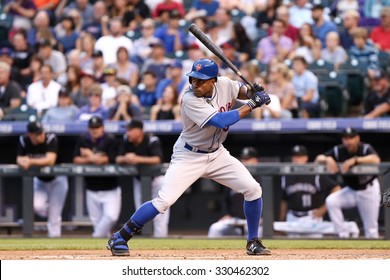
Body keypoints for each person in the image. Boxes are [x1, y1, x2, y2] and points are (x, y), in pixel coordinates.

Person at [106, 58, 271, 256]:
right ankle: (120, 237)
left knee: (253, 189)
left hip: (217, 153)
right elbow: (220, 120)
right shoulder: (189, 98)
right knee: (164, 200)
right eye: (193, 79)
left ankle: (253, 241)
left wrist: (252, 90)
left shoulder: (225, 83)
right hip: (189, 155)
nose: (195, 84)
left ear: (214, 81)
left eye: (201, 81)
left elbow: (241, 90)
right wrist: (253, 104)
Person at [273, 145, 359, 238]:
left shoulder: (314, 174)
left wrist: (323, 209)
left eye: (299, 156)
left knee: (315, 248)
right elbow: (284, 200)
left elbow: (336, 188)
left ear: (306, 158)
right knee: (290, 249)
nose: (296, 159)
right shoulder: (286, 176)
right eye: (294, 156)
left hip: (312, 217)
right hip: (292, 217)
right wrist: (282, 220)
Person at [315, 127, 382, 238]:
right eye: (345, 138)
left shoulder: (364, 148)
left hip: (368, 190)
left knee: (371, 229)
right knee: (331, 201)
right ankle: (343, 235)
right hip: (351, 190)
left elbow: (376, 159)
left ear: (357, 138)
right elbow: (318, 159)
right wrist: (327, 159)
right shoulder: (339, 150)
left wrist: (356, 160)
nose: (348, 141)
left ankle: (375, 254)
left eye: (351, 138)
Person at [116, 120, 169, 237]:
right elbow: (117, 158)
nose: (127, 133)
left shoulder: (151, 139)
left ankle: (161, 239)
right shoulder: (127, 141)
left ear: (139, 130)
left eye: (130, 130)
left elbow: (158, 159)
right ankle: (145, 240)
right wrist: (125, 158)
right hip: (139, 180)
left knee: (160, 211)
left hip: (157, 180)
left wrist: (137, 159)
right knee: (140, 210)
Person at [16, 121, 69, 238]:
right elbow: (19, 158)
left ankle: (55, 245)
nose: (41, 135)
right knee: (36, 206)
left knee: (54, 218)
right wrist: (22, 162)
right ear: (30, 134)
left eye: (41, 132)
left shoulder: (50, 138)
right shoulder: (24, 140)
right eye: (37, 133)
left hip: (57, 180)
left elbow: (50, 160)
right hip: (40, 180)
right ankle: (53, 214)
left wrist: (30, 161)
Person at [73, 116, 121, 238]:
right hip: (91, 188)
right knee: (97, 222)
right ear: (89, 128)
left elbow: (107, 159)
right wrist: (94, 158)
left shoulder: (110, 139)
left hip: (110, 188)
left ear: (103, 127)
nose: (95, 130)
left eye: (97, 127)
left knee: (111, 217)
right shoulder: (83, 139)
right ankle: (102, 248)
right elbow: (76, 159)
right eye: (92, 127)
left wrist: (89, 156)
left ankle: (95, 237)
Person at [208, 147, 263, 238]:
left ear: (256, 160)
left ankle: (255, 246)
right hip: (234, 220)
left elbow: (270, 201)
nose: (245, 162)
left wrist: (265, 218)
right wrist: (225, 214)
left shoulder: (262, 178)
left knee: (259, 232)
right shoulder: (234, 176)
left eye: (248, 159)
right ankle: (210, 251)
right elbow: (224, 199)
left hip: (254, 220)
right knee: (215, 228)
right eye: (244, 159)